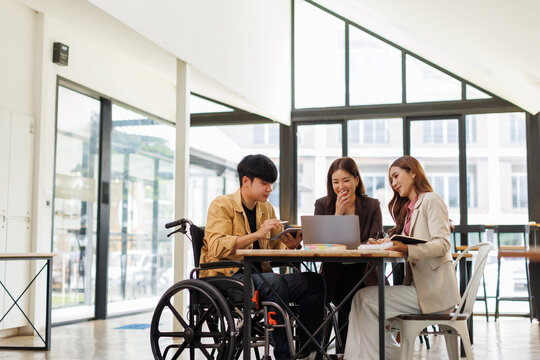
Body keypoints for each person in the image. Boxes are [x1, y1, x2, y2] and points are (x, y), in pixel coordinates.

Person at [200, 154, 326, 360]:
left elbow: (275, 247)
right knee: (274, 282)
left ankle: (310, 352)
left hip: (260, 276)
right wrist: (257, 234)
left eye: (271, 184)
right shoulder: (222, 205)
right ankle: (284, 355)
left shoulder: (265, 208)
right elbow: (216, 246)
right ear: (245, 181)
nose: (269, 189)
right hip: (229, 276)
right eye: (264, 183)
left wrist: (291, 247)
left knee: (313, 282)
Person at [344, 155, 460, 360]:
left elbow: (443, 245)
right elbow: (409, 240)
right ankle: (382, 356)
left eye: (396, 176)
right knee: (361, 301)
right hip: (419, 289)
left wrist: (407, 249)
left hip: (433, 292)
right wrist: (383, 243)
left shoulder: (431, 200)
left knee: (364, 299)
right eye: (391, 181)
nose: (394, 184)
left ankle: (382, 356)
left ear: (413, 173)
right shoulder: (409, 209)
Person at [314, 157, 383, 345]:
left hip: (364, 270)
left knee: (350, 296)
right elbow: (321, 244)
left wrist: (368, 242)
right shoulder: (322, 205)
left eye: (346, 180)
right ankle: (345, 350)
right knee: (344, 297)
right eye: (335, 182)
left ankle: (347, 350)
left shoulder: (371, 205)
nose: (340, 186)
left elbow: (376, 237)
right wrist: (338, 213)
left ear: (356, 180)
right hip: (334, 271)